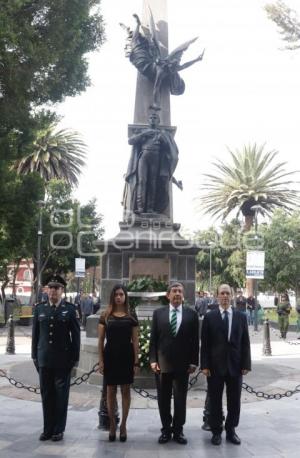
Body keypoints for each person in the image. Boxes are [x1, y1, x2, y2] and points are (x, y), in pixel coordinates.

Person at [201, 283, 251, 446]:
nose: (224, 296)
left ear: (232, 296)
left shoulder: (241, 316)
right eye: (222, 293)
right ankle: (216, 432)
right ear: (217, 296)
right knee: (215, 401)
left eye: (227, 293)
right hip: (215, 367)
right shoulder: (210, 317)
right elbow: (205, 344)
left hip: (235, 366)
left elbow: (245, 343)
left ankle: (231, 430)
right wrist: (205, 365)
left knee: (234, 401)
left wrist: (246, 364)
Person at [31, 274, 80, 442]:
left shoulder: (70, 309)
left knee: (61, 396)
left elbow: (76, 337)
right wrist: (34, 357)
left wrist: (74, 360)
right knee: (46, 395)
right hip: (44, 359)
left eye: (56, 288)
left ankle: (59, 430)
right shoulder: (39, 309)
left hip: (62, 361)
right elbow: (35, 335)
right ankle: (47, 429)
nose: (53, 291)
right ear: (47, 290)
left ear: (62, 290)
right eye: (51, 287)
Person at [149, 282, 199, 445]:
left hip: (183, 365)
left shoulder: (192, 315)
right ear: (168, 295)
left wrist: (193, 361)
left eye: (180, 291)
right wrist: (153, 360)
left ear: (183, 295)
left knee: (180, 399)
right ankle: (166, 429)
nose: (177, 294)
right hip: (162, 364)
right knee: (163, 399)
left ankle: (178, 430)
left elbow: (194, 341)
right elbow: (154, 340)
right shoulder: (158, 314)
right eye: (174, 291)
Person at [98, 284, 139, 442]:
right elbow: (101, 341)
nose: (119, 297)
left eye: (121, 294)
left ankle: (123, 425)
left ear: (125, 296)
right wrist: (101, 361)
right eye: (116, 294)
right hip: (110, 357)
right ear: (112, 297)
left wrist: (136, 362)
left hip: (126, 357)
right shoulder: (105, 316)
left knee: (126, 391)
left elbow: (135, 341)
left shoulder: (131, 317)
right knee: (110, 392)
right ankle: (113, 424)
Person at [124, 110, 178, 215]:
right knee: (142, 181)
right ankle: (140, 207)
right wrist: (144, 134)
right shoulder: (143, 132)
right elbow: (130, 141)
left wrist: (163, 140)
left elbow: (170, 149)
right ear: (148, 120)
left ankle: (150, 208)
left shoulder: (163, 133)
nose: (153, 119)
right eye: (151, 118)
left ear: (158, 121)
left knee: (153, 183)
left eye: (155, 118)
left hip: (156, 158)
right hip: (144, 157)